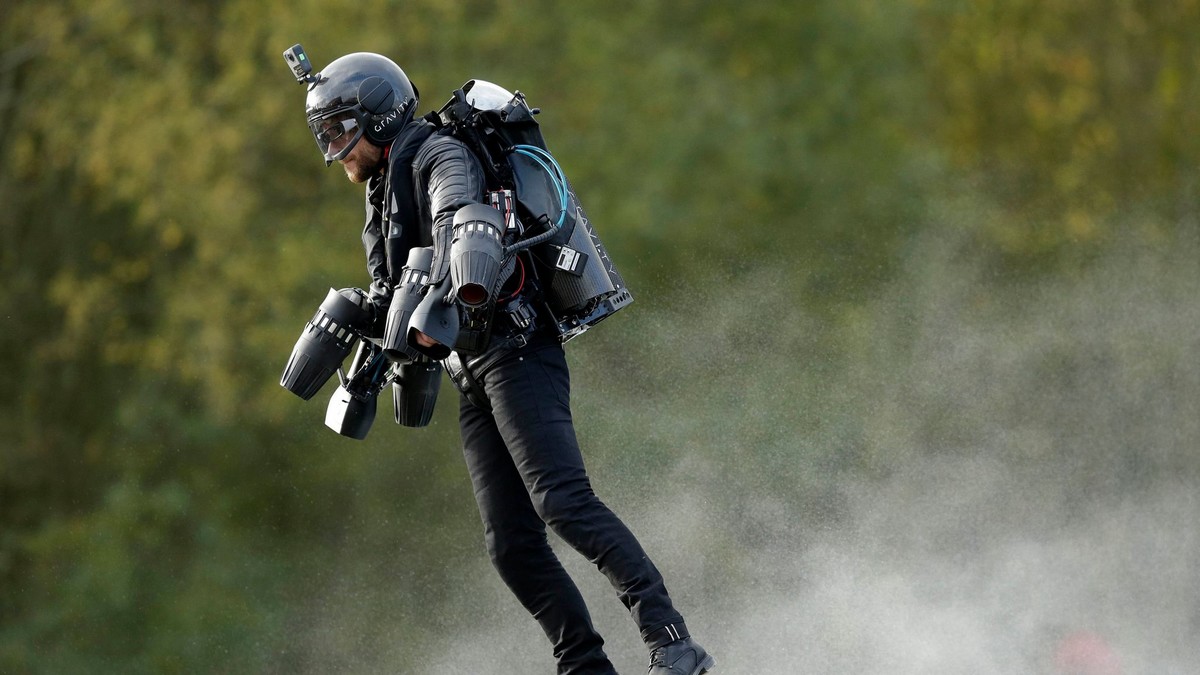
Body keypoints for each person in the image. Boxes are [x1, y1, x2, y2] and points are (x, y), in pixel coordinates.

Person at [292, 50, 715, 675]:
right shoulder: (384, 188)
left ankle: (673, 641)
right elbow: (390, 293)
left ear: (378, 120)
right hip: (475, 372)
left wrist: (434, 286)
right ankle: (585, 665)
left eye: (339, 130)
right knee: (511, 546)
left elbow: (460, 226)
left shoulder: (439, 155)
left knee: (563, 502)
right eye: (324, 134)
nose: (333, 149)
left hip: (518, 350)